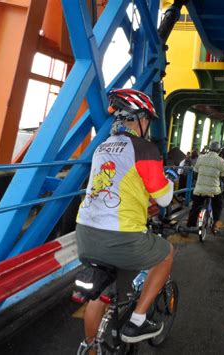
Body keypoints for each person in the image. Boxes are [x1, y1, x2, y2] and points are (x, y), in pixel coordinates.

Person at [75, 88, 176, 348]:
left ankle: (90, 347)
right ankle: (138, 321)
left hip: (85, 233)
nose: (149, 126)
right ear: (140, 118)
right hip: (120, 236)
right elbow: (164, 199)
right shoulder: (144, 148)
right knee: (166, 253)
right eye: (149, 121)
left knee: (100, 291)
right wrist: (171, 182)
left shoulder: (102, 147)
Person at [186, 141, 224, 234]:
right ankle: (215, 225)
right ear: (219, 150)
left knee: (195, 207)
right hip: (214, 190)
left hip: (200, 189)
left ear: (209, 148)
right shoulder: (221, 161)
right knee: (218, 205)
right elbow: (223, 176)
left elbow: (196, 171)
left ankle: (188, 227)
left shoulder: (201, 158)